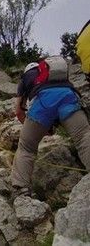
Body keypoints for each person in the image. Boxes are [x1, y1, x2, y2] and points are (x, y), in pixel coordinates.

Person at [11, 56, 90, 197]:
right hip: (69, 97)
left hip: (43, 103)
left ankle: (21, 189)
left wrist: (30, 127)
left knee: (26, 148)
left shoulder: (25, 78)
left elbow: (18, 110)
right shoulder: (57, 76)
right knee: (83, 137)